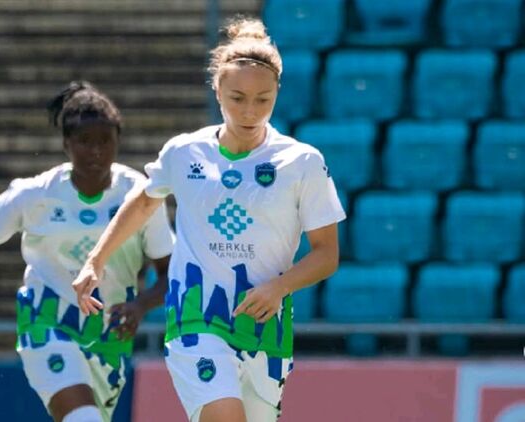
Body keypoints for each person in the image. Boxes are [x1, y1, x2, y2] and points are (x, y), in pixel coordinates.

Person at [72, 18, 345, 422]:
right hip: (196, 321)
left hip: (264, 328)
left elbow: (326, 254)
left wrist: (278, 288)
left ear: (277, 93)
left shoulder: (302, 162)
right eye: (237, 98)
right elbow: (144, 203)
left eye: (263, 99)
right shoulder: (184, 152)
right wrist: (95, 260)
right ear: (217, 90)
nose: (249, 111)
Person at [0, 81, 174, 422]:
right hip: (46, 323)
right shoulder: (34, 194)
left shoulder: (140, 197)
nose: (96, 151)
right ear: (65, 144)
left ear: (118, 141)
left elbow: (170, 273)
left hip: (109, 334)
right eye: (84, 141)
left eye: (105, 141)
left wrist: (140, 305)